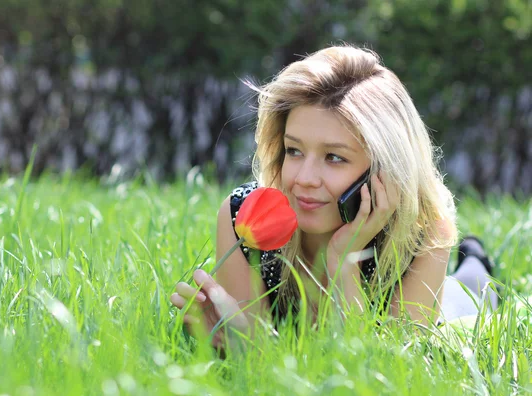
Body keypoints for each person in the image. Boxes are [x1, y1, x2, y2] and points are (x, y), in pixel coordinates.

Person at [169, 45, 498, 350]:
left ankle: (476, 258)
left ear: (383, 169)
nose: (304, 179)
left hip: (451, 309)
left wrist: (344, 263)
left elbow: (383, 373)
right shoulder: (244, 217)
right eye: (294, 151)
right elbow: (262, 362)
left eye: (334, 157)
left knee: (473, 289)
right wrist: (240, 345)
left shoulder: (426, 232)